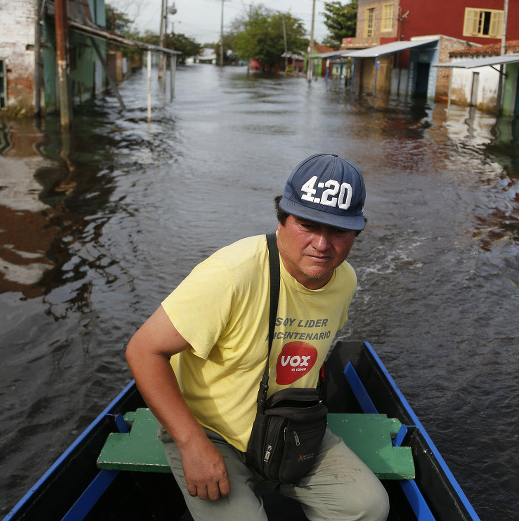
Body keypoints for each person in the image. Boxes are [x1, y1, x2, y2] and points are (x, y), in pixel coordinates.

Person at [126, 154, 389, 521]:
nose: (322, 244)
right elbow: (143, 351)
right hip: (211, 431)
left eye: (338, 231)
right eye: (308, 225)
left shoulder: (345, 280)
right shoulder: (231, 274)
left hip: (288, 422)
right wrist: (192, 444)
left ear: (355, 234)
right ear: (282, 220)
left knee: (368, 506)